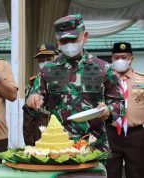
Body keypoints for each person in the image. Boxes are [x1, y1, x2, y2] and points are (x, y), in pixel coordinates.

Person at [26, 14, 124, 151]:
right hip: (59, 146)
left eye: (73, 39)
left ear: (85, 36)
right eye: (64, 41)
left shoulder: (103, 68)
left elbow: (119, 103)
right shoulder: (47, 70)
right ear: (57, 41)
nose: (69, 45)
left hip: (94, 145)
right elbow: (33, 101)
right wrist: (32, 102)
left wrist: (109, 110)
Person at [106, 42, 144, 178]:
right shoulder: (105, 81)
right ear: (112, 59)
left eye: (123, 56)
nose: (119, 60)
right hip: (111, 133)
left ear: (131, 59)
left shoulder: (142, 80)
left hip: (136, 135)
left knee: (136, 172)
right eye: (116, 57)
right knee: (110, 172)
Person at [23, 43, 57, 146]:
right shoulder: (34, 82)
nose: (45, 62)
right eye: (41, 60)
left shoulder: (66, 80)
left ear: (56, 57)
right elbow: (28, 114)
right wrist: (30, 141)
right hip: (42, 134)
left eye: (49, 58)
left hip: (62, 133)